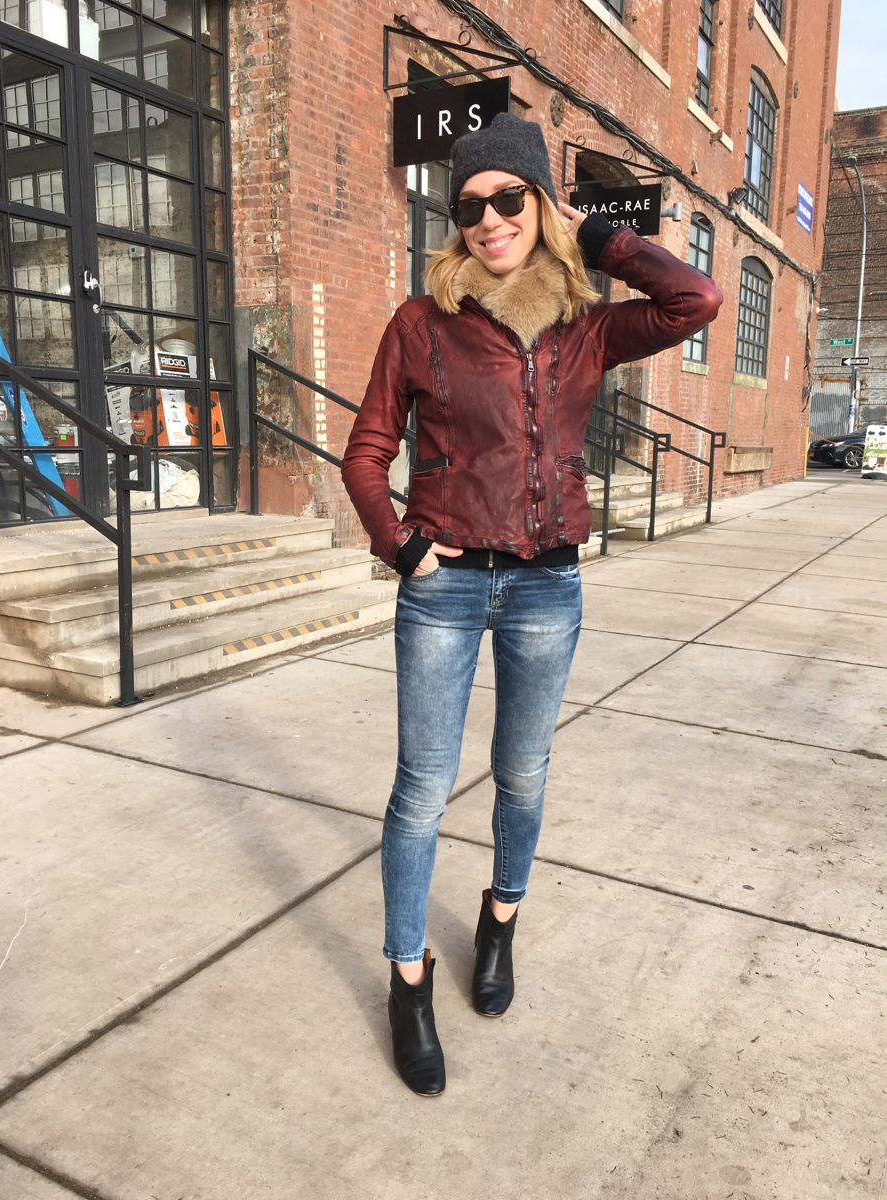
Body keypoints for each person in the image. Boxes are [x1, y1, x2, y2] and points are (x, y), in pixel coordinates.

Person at [342, 113, 722, 1097]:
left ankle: (500, 922)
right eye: (469, 206)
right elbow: (367, 450)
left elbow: (696, 298)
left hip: (549, 586)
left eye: (508, 197)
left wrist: (604, 238)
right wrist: (404, 547)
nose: (488, 219)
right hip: (445, 594)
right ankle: (409, 979)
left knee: (522, 775)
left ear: (538, 204)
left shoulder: (587, 324)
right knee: (420, 794)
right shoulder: (421, 323)